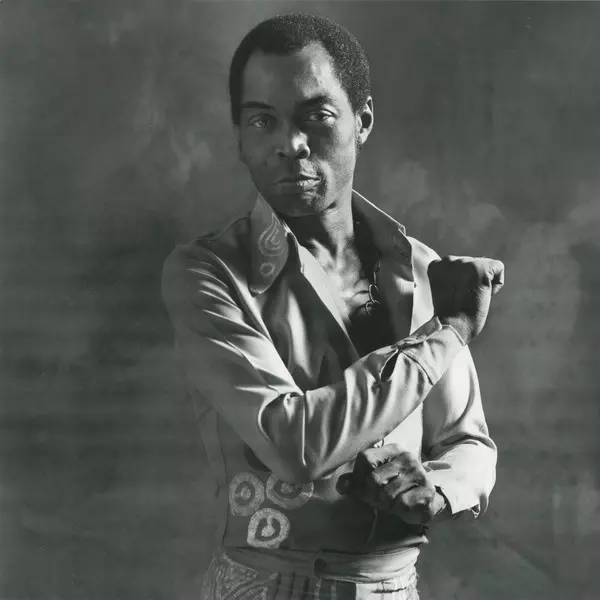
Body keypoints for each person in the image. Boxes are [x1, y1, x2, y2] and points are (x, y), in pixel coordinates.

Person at [162, 12, 504, 600]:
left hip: (395, 588)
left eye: (316, 116)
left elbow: (468, 440)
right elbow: (294, 444)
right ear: (240, 136)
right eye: (262, 121)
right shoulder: (207, 273)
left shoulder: (424, 269)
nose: (290, 144)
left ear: (362, 120)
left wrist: (435, 490)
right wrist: (446, 333)